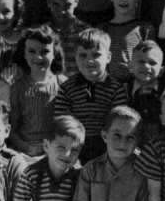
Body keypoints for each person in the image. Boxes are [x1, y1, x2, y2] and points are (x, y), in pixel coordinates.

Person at [52, 28, 128, 163]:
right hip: (75, 144)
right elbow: (62, 121)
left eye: (96, 55)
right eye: (83, 55)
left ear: (108, 57)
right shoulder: (67, 88)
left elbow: (119, 120)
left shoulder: (116, 88)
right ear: (75, 57)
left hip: (106, 144)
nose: (89, 61)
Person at [9, 26, 66, 158]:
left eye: (45, 51)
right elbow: (12, 129)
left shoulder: (63, 84)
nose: (38, 57)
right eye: (32, 51)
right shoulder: (17, 88)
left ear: (54, 53)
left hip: (56, 149)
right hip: (26, 150)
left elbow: (68, 125)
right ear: (24, 54)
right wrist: (27, 148)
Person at [99, 0, 155, 82]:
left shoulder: (145, 29)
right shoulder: (102, 29)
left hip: (136, 88)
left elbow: (151, 62)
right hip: (109, 90)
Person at [44, 0, 89, 78]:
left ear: (76, 1)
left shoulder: (85, 32)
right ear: (48, 3)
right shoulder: (44, 33)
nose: (62, 11)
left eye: (67, 5)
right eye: (56, 4)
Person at [126, 40, 165, 147]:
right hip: (131, 143)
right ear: (130, 66)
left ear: (161, 70)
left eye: (152, 63)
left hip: (161, 144)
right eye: (141, 62)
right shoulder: (124, 90)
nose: (147, 66)